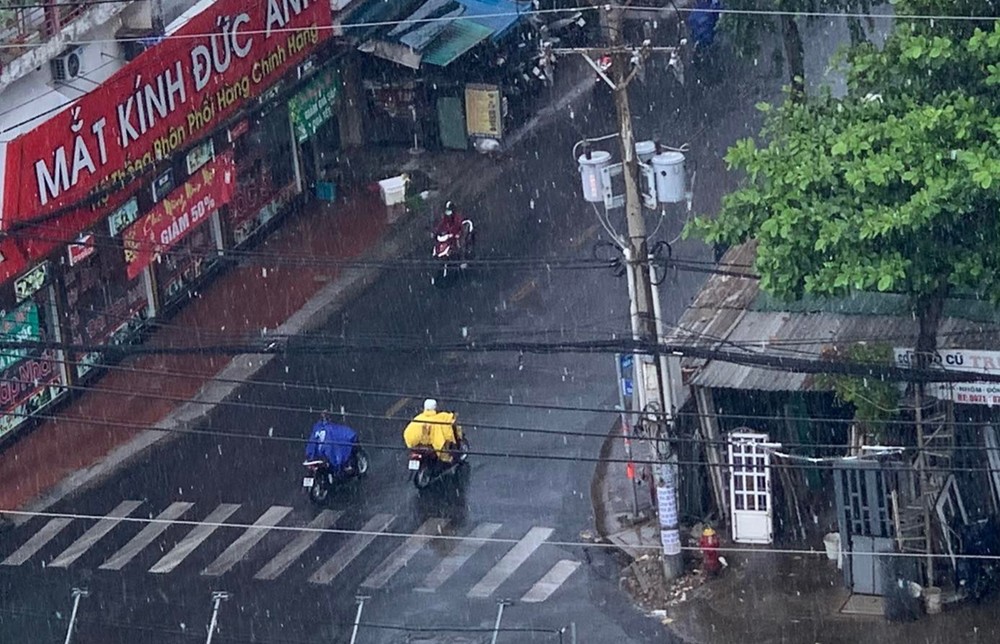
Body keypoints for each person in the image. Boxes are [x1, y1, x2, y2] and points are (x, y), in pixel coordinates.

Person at [403, 399, 461, 463]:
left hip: (416, 447)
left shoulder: (417, 419)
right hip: (430, 448)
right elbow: (439, 441)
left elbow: (408, 435)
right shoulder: (440, 418)